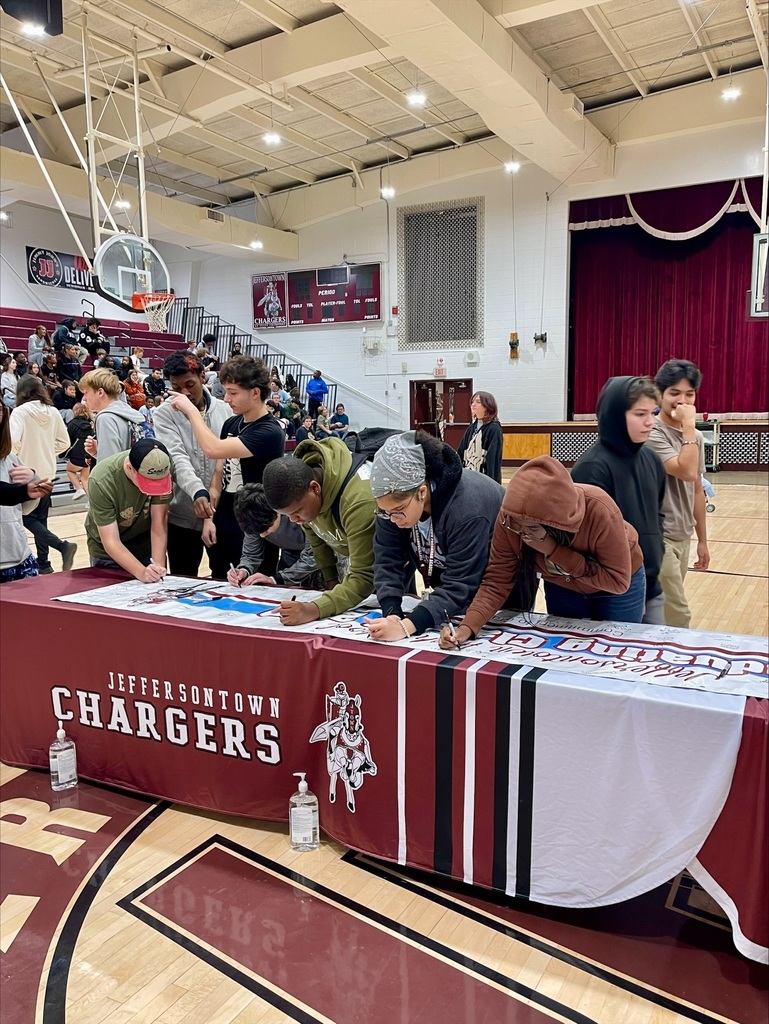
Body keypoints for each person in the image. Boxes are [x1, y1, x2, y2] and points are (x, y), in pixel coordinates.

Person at [439, 455, 645, 649]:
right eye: (516, 525)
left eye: (532, 528)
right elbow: (497, 581)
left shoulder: (600, 509)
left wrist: (554, 550)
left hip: (614, 586)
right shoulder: (509, 519)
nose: (521, 534)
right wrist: (467, 627)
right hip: (562, 585)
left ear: (557, 525)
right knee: (565, 651)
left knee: (617, 648)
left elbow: (618, 581)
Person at [366, 430, 511, 642]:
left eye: (398, 511)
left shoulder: (467, 509)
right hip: (455, 587)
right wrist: (392, 614)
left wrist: (407, 627)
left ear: (421, 492)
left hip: (500, 589)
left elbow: (461, 582)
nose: (392, 519)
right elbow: (387, 560)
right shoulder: (392, 506)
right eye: (384, 512)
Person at [167, 355, 285, 580]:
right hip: (224, 520)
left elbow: (213, 449)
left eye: (233, 393)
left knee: (254, 585)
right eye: (226, 392)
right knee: (220, 579)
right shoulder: (232, 423)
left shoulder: (270, 431)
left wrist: (191, 411)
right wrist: (209, 519)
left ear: (255, 392)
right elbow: (218, 474)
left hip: (255, 523)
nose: (227, 399)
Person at [571, 376, 667, 625]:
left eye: (653, 412)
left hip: (652, 585)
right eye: (640, 414)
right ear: (615, 414)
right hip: (613, 593)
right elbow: (587, 542)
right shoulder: (592, 468)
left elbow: (658, 516)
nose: (650, 422)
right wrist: (633, 587)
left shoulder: (652, 460)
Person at [261, 435, 377, 625]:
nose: (295, 521)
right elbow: (318, 541)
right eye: (287, 516)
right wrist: (331, 581)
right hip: (355, 557)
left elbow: (364, 577)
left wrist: (313, 609)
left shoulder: (359, 501)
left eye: (297, 512)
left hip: (391, 565)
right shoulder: (304, 491)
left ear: (314, 488)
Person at [645, 359, 710, 628]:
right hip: (659, 536)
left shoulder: (696, 439)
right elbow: (683, 469)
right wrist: (689, 427)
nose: (682, 401)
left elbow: (696, 486)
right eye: (674, 393)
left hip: (682, 535)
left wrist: (703, 540)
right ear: (660, 394)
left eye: (689, 394)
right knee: (678, 613)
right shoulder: (652, 433)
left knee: (660, 611)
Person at [154, 351, 230, 577]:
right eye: (176, 389)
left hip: (222, 514)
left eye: (190, 384)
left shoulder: (224, 409)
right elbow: (176, 457)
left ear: (202, 377)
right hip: (183, 514)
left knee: (225, 578)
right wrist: (197, 491)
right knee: (183, 581)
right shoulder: (164, 413)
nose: (184, 393)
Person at [10, 376, 77, 574]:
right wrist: (47, 449)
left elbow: (13, 442)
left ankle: (62, 546)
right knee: (40, 519)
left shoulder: (20, 412)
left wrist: (20, 456)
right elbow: (64, 443)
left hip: (26, 475)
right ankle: (44, 564)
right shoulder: (53, 411)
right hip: (48, 473)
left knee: (23, 518)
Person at [85, 439, 172, 583]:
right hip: (109, 554)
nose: (154, 489)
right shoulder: (102, 480)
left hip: (144, 546)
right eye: (148, 482)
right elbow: (110, 540)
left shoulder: (163, 465)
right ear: (130, 468)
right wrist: (142, 572)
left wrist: (158, 568)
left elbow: (159, 524)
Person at [227, 483, 325, 590]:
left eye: (266, 529)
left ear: (276, 511)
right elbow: (251, 555)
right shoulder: (252, 519)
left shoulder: (295, 511)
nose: (262, 535)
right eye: (257, 532)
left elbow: (313, 557)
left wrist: (276, 579)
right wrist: (244, 570)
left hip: (323, 557)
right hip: (289, 557)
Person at [0, 400, 54, 583]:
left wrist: (34, 482)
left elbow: (25, 509)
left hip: (19, 557)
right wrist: (23, 491)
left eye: (0, 410)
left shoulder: (10, 458)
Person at [78, 367, 145, 463]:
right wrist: (97, 452)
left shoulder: (105, 418)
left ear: (100, 392)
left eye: (85, 393)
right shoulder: (130, 412)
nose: (84, 398)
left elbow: (108, 468)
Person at [456, 391, 503, 483]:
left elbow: (492, 460)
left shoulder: (494, 429)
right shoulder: (471, 428)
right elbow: (461, 452)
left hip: (484, 479)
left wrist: (490, 484)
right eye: (472, 402)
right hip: (468, 476)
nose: (473, 405)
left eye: (478, 402)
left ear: (488, 406)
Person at [65, 402, 94, 502]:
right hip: (88, 454)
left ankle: (79, 489)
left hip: (76, 455)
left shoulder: (72, 424)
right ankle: (92, 501)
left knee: (70, 470)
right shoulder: (91, 424)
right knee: (85, 478)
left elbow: (68, 441)